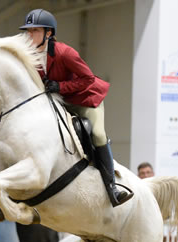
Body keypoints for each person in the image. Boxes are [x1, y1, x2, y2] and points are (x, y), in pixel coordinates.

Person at [19, 9, 132, 208]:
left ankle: (112, 187)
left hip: (83, 98)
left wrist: (61, 86)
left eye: (34, 31)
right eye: (28, 31)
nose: (29, 35)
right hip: (58, 100)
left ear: (48, 33)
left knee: (97, 134)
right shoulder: (28, 56)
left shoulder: (64, 52)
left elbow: (88, 78)